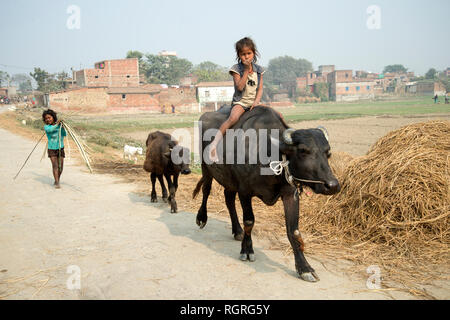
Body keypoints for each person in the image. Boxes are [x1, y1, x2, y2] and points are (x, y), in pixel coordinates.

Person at [209, 37, 282, 162]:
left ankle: (283, 142)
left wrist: (256, 102)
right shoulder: (236, 69)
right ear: (239, 55)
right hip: (241, 102)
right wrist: (247, 72)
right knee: (233, 118)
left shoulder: (259, 70)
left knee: (277, 114)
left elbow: (259, 89)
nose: (246, 57)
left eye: (249, 53)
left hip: (253, 103)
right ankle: (213, 145)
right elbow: (240, 87)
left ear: (254, 53)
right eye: (243, 54)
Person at [42, 109, 67, 189]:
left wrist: (62, 127)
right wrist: (57, 125)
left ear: (53, 117)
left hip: (60, 148)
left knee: (61, 167)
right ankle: (56, 182)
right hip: (51, 149)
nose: (48, 119)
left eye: (49, 117)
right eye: (46, 118)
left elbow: (64, 134)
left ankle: (57, 179)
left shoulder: (59, 126)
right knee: (55, 165)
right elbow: (50, 130)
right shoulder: (46, 127)